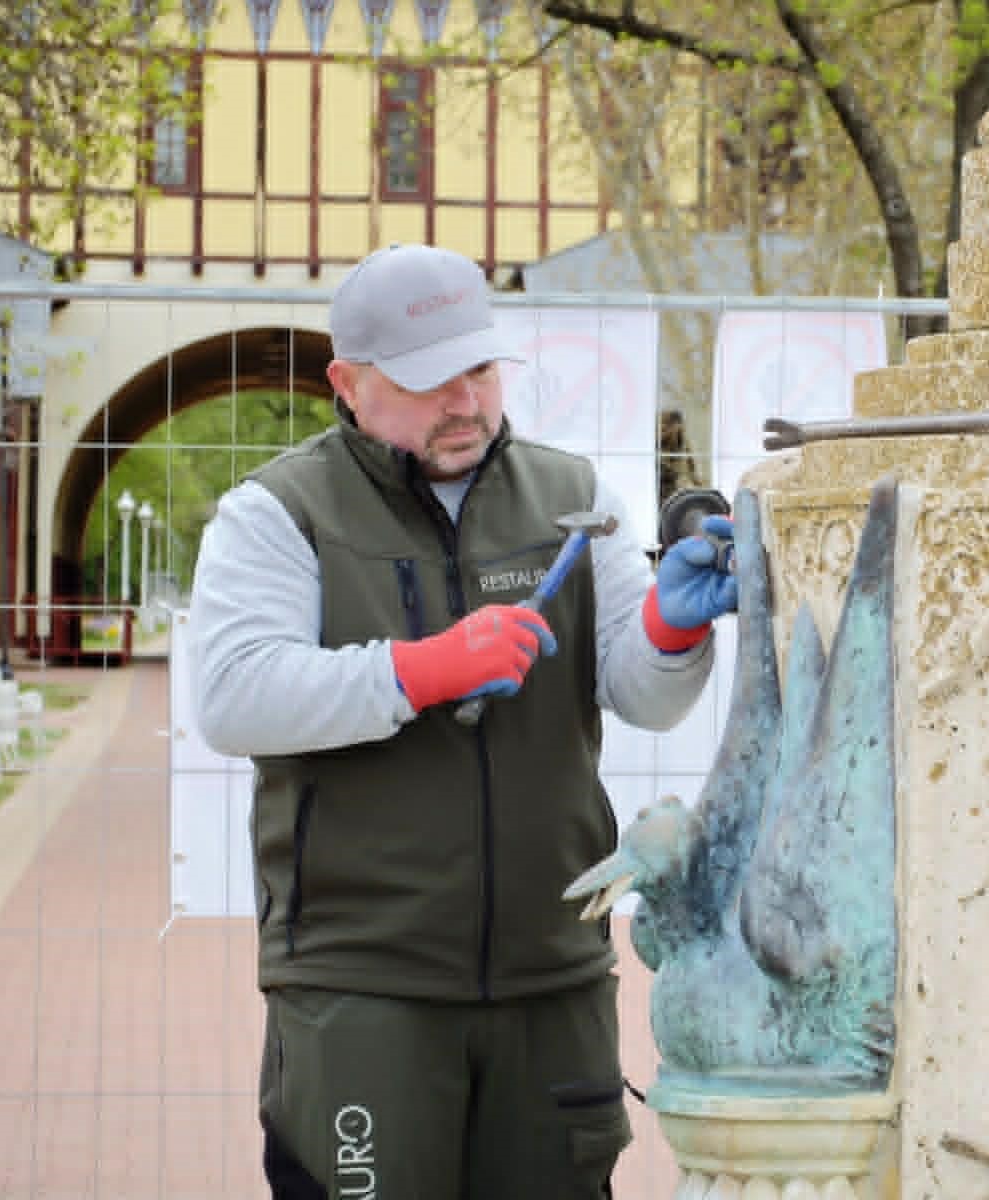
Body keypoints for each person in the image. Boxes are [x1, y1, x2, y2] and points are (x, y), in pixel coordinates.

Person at [188, 242, 738, 1198]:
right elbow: (235, 695)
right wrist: (424, 669)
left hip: (552, 977)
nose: (467, 402)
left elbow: (644, 692)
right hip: (364, 985)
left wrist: (671, 627)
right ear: (348, 384)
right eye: (429, 380)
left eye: (479, 370)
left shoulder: (575, 499)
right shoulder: (277, 513)